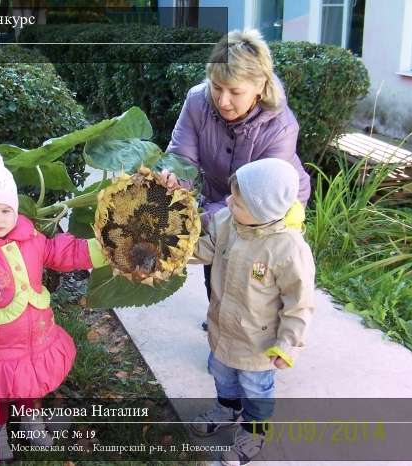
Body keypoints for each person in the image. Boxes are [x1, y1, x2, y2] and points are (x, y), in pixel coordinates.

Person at [0, 148, 107, 460]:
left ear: (15, 207)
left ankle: (32, 425)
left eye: (5, 211)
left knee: (28, 387)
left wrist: (97, 250)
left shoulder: (30, 236)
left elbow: (61, 253)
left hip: (34, 338)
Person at [163, 29, 311, 330]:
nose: (223, 100)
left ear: (259, 86)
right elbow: (182, 159)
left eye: (235, 91)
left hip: (269, 208)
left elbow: (258, 198)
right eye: (217, 87)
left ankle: (267, 338)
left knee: (260, 279)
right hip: (224, 197)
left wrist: (198, 219)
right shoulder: (197, 101)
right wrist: (173, 185)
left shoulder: (281, 127)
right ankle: (221, 326)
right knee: (217, 264)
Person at [189, 158, 315, 465]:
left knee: (256, 391)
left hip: (259, 345)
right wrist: (176, 254)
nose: (229, 202)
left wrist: (287, 345)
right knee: (222, 375)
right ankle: (227, 408)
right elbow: (208, 249)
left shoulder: (288, 250)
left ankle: (253, 432)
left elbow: (299, 303)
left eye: (239, 202)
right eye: (232, 195)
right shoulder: (227, 223)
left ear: (264, 213)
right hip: (222, 330)